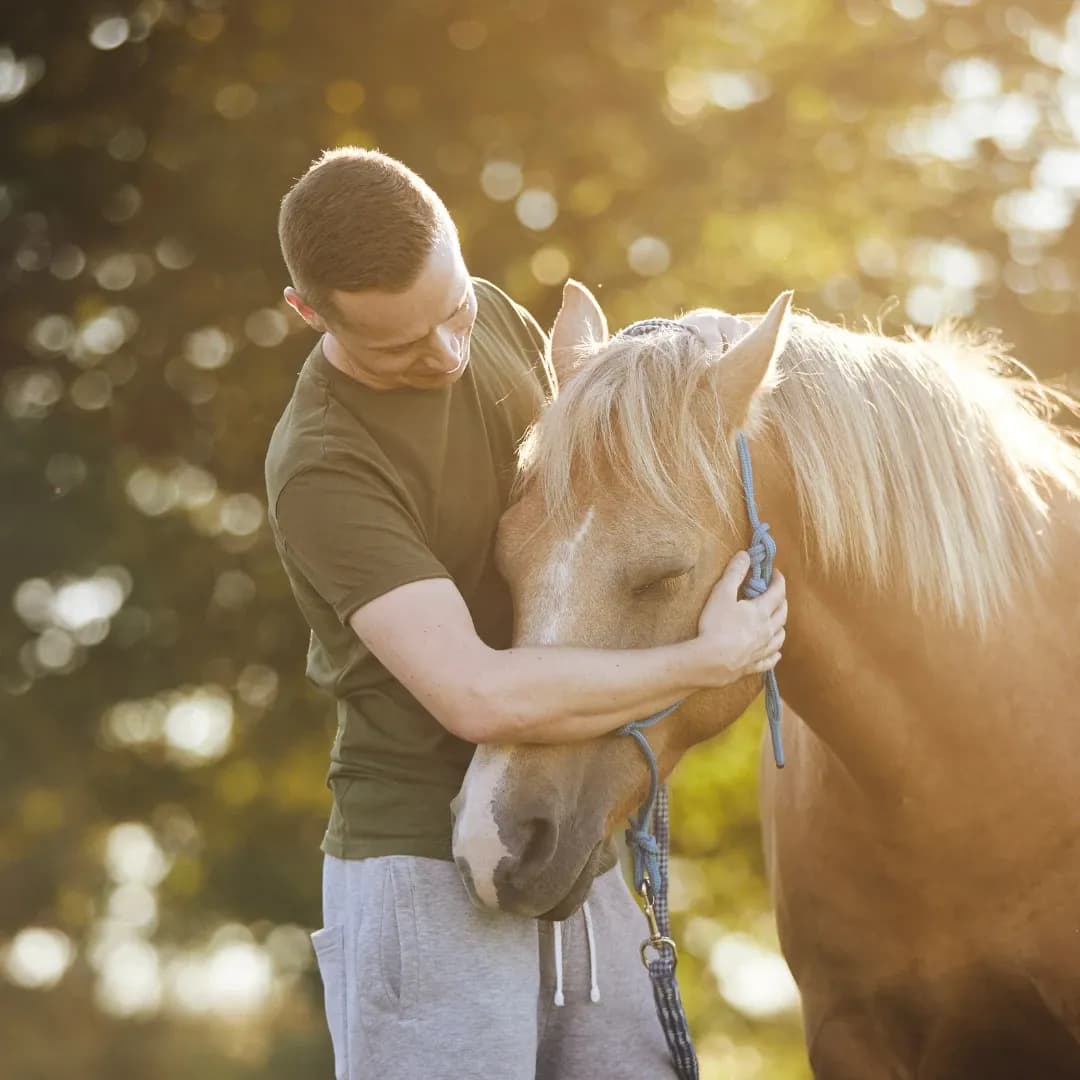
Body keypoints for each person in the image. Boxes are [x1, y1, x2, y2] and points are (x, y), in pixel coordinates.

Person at [265, 147, 787, 1080]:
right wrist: (707, 661)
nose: (449, 352)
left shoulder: (495, 317)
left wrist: (688, 359)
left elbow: (602, 504)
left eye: (453, 308)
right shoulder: (324, 464)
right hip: (422, 868)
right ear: (311, 314)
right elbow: (477, 696)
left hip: (569, 829)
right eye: (400, 345)